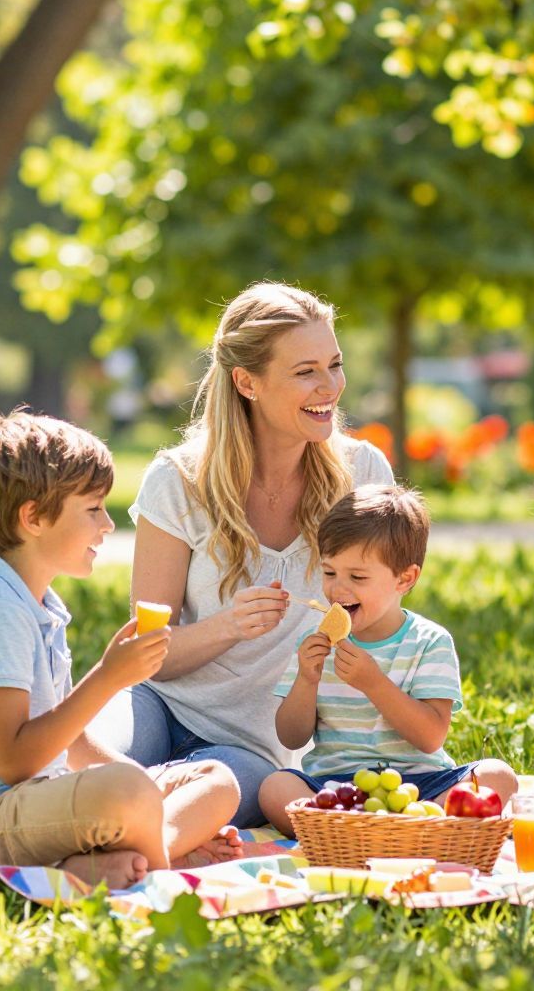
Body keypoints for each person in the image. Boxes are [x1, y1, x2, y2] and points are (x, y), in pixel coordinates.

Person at [73, 282, 394, 827]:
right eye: (305, 371)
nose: (330, 387)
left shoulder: (363, 477)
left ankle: (127, 849)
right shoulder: (177, 481)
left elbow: (387, 628)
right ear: (246, 381)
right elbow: (150, 651)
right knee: (85, 770)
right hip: (159, 705)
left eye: (334, 365)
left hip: (255, 748)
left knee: (208, 792)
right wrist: (228, 627)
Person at [0, 410, 243, 888]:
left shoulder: (38, 605)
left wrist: (146, 790)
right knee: (128, 791)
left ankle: (132, 851)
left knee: (216, 780)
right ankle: (163, 857)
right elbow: (15, 762)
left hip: (35, 805)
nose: (107, 524)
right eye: (93, 508)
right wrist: (108, 678)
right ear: (34, 517)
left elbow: (69, 738)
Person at [258, 485, 518, 834]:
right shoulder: (316, 642)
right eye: (330, 572)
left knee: (497, 776)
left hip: (421, 785)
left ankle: (409, 823)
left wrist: (374, 683)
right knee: (274, 789)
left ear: (405, 578)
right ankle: (383, 830)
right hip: (335, 788)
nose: (338, 588)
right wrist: (306, 680)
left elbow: (430, 738)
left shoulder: (429, 642)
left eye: (358, 577)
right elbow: (290, 737)